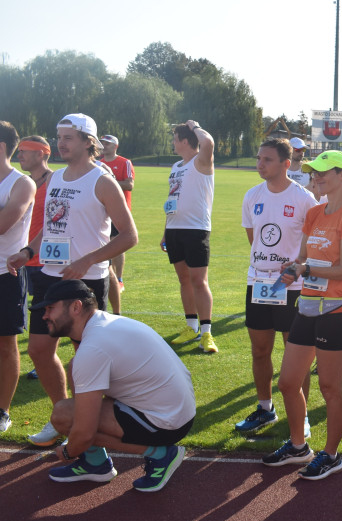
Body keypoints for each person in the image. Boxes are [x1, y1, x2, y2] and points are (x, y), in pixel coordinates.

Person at [7, 113, 138, 448]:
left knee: (87, 361)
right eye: (58, 137)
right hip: (50, 277)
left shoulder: (102, 181)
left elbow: (130, 236)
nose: (60, 144)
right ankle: (61, 416)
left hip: (87, 284)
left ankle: (86, 428)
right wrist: (27, 250)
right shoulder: (56, 179)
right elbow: (52, 226)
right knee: (38, 350)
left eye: (67, 138)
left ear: (87, 142)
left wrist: (88, 260)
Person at [261, 151, 342, 479]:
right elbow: (302, 257)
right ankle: (298, 446)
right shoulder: (315, 213)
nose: (316, 177)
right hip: (306, 306)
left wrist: (305, 267)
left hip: (335, 311)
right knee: (289, 382)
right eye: (313, 172)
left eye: (322, 172)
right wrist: (289, 271)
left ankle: (331, 455)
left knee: (330, 388)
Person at [37, 280, 195, 492]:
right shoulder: (104, 324)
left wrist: (69, 452)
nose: (45, 316)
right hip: (175, 410)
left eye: (50, 309)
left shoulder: (93, 347)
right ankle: (95, 464)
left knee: (63, 416)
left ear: (76, 307)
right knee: (76, 377)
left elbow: (84, 432)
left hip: (166, 422)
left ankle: (161, 454)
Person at [235, 138, 319, 435]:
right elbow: (253, 237)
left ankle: (302, 415)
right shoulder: (251, 195)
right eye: (259, 158)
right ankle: (265, 408)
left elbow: (311, 244)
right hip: (258, 282)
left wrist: (293, 267)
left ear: (286, 163)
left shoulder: (304, 199)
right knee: (260, 350)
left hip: (292, 286)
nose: (260, 164)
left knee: (294, 353)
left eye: (267, 159)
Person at [163, 120, 217, 353]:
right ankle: (190, 326)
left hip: (196, 230)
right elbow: (171, 199)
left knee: (198, 281)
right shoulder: (176, 166)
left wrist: (195, 126)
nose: (173, 142)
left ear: (185, 141)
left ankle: (206, 333)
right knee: (184, 280)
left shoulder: (201, 161)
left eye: (175, 138)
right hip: (175, 230)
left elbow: (208, 142)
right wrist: (165, 230)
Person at [0, 122, 34, 433]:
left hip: (4, 276)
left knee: (5, 344)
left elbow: (4, 223)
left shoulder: (21, 183)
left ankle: (3, 410)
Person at [15, 135, 53, 382]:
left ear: (41, 153)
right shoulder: (23, 183)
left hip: (45, 260)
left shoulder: (56, 181)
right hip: (21, 258)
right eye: (18, 151)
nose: (19, 155)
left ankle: (44, 362)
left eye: (24, 151)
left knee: (47, 315)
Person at [98, 134, 134, 315]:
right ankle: (107, 276)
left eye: (108, 143)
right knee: (103, 245)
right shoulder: (99, 162)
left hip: (119, 210)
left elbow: (129, 184)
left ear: (116, 146)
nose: (104, 146)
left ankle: (118, 278)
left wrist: (109, 183)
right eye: (102, 143)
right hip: (102, 211)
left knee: (117, 245)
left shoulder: (124, 162)